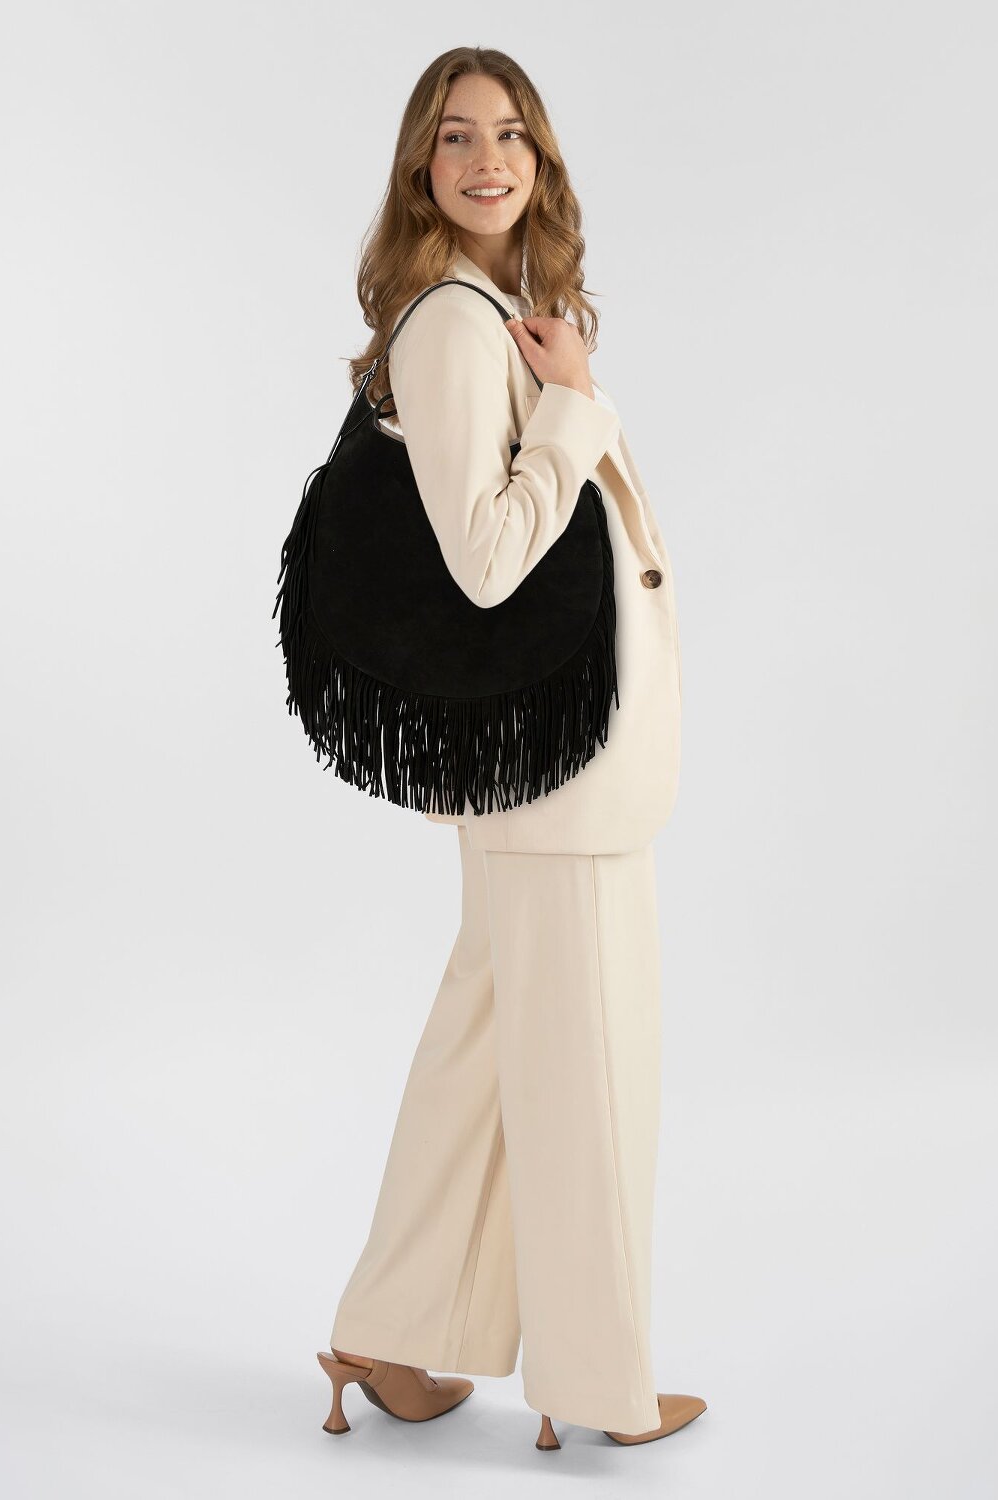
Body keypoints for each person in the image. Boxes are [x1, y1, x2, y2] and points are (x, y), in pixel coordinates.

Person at [314, 47, 704, 1452]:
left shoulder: (496, 317)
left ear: (540, 162)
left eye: (512, 135)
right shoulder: (454, 328)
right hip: (559, 776)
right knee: (591, 1071)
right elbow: (486, 560)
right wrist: (577, 410)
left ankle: (389, 1332)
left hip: (552, 774)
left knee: (486, 1060)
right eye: (457, 136)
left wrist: (568, 381)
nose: (488, 160)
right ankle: (601, 1385)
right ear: (421, 168)